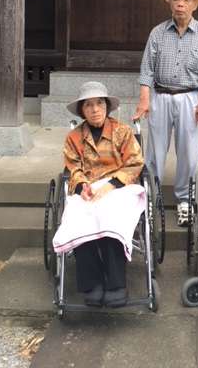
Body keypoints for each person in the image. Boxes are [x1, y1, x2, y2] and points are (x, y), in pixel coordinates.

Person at [133, 0, 198, 227]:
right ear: (170, 3)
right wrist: (144, 100)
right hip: (160, 96)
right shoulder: (157, 32)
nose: (181, 3)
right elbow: (147, 69)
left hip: (190, 97)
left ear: (195, 5)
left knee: (189, 153)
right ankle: (151, 197)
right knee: (154, 152)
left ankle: (185, 200)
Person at [53, 81, 144, 307]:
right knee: (78, 217)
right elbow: (73, 167)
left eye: (99, 103)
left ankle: (116, 284)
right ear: (82, 110)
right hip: (89, 188)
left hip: (120, 187)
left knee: (111, 216)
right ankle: (91, 283)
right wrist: (81, 186)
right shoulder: (74, 137)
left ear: (107, 106)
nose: (95, 109)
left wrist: (111, 184)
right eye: (89, 105)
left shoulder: (122, 131)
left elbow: (135, 163)